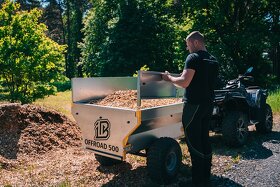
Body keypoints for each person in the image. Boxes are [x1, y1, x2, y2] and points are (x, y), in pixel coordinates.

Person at [162, 31, 219, 187]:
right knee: (204, 139)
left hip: (193, 105)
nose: (187, 49)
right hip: (208, 105)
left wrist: (169, 78)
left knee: (194, 143)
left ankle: (198, 181)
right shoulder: (213, 60)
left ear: (195, 42)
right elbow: (200, 80)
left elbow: (184, 82)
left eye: (188, 45)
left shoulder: (193, 58)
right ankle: (205, 177)